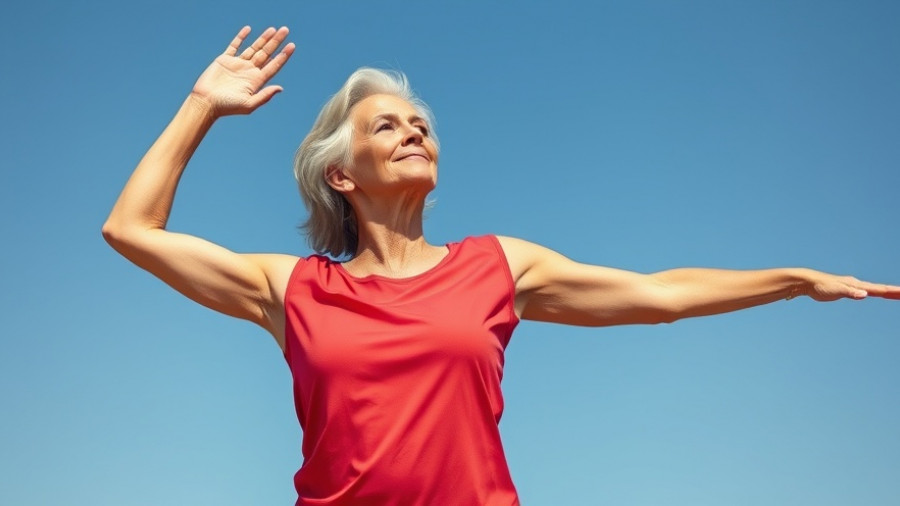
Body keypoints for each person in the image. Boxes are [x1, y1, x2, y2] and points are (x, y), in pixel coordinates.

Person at [102, 26, 900, 506]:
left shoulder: (496, 268)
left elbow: (658, 296)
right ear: (341, 175)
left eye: (421, 123)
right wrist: (203, 104)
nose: (415, 132)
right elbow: (131, 229)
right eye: (387, 126)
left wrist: (794, 282)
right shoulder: (294, 289)